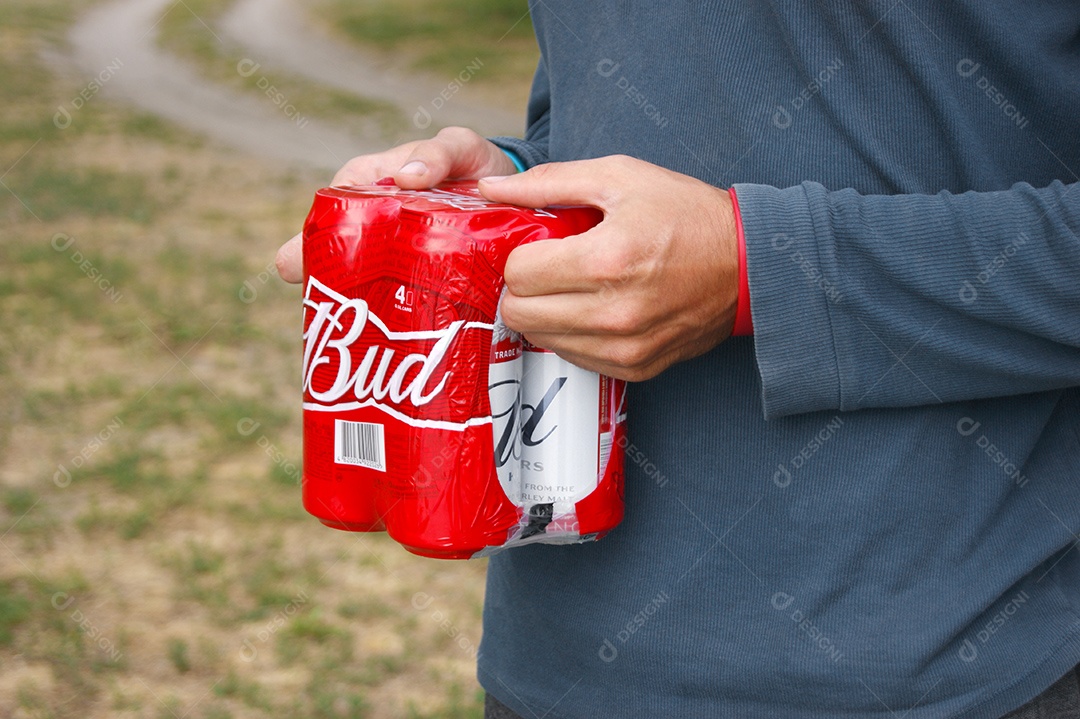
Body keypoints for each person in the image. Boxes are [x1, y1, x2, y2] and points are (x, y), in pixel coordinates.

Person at [277, 2, 1080, 717]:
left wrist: (759, 268)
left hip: (952, 665)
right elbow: (605, 114)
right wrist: (511, 195)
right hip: (556, 659)